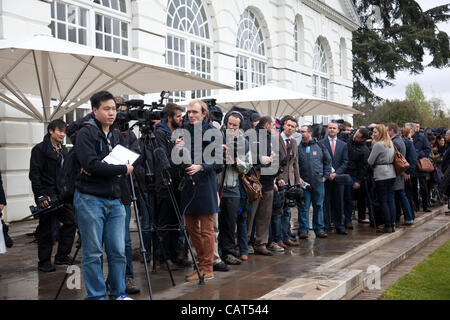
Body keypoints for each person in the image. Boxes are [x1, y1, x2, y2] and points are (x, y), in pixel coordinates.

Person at [73, 91, 134, 300]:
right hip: (90, 199)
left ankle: (118, 293)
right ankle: (97, 296)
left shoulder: (116, 135)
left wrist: (105, 167)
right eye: (106, 109)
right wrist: (119, 169)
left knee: (118, 251)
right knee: (93, 253)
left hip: (115, 200)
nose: (111, 113)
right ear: (95, 110)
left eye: (114, 109)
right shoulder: (86, 133)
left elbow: (124, 159)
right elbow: (90, 164)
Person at [180, 100, 222, 282]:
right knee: (191, 228)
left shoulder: (212, 132)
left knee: (206, 229)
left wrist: (201, 166)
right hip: (188, 185)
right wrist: (179, 149)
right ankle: (200, 265)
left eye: (195, 112)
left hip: (205, 184)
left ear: (204, 114)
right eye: (189, 112)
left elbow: (218, 162)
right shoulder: (185, 131)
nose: (191, 115)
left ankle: (207, 267)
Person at [29, 119, 76, 273]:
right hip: (47, 195)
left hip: (62, 195)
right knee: (47, 229)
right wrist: (41, 196)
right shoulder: (39, 150)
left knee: (71, 222)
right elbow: (34, 175)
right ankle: (43, 262)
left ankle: (62, 256)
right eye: (59, 131)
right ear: (51, 131)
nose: (63, 134)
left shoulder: (63, 150)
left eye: (64, 131)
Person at [153, 102, 186, 270]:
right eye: (178, 116)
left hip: (177, 182)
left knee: (175, 222)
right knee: (165, 223)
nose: (181, 119)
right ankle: (163, 258)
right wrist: (175, 147)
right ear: (169, 117)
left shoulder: (178, 133)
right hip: (165, 183)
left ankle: (173, 255)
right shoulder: (160, 133)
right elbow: (162, 158)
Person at [217, 111, 252, 265]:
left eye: (234, 125)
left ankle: (229, 252)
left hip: (233, 186)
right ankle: (216, 254)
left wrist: (236, 161)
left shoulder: (244, 142)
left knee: (230, 222)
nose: (231, 127)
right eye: (229, 124)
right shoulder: (216, 137)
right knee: (215, 224)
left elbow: (247, 166)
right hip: (216, 186)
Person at [115, 98, 141, 295]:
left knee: (124, 241)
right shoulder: (97, 131)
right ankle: (108, 280)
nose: (120, 114)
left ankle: (127, 277)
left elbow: (136, 156)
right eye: (117, 110)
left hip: (123, 192)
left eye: (124, 111)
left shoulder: (129, 134)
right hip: (101, 192)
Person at [247, 116, 277, 256]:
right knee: (251, 215)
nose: (274, 127)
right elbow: (249, 156)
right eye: (272, 124)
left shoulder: (270, 138)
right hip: (255, 181)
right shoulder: (253, 136)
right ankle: (247, 243)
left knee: (264, 216)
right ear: (266, 125)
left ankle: (260, 243)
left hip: (269, 182)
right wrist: (262, 160)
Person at [297, 125, 332, 239]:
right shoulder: (297, 146)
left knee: (318, 206)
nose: (301, 133)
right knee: (303, 207)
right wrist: (298, 178)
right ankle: (303, 230)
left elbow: (328, 161)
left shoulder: (320, 146)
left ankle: (319, 229)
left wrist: (325, 176)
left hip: (318, 182)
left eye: (303, 131)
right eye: (300, 131)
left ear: (310, 133)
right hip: (303, 184)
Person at [273, 115, 302, 248]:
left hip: (290, 181)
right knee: (278, 211)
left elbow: (295, 163)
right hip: (279, 180)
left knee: (288, 211)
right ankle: (278, 239)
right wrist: (278, 178)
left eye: (293, 127)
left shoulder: (294, 142)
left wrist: (297, 182)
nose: (290, 128)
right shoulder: (275, 140)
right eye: (288, 125)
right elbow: (274, 162)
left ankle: (286, 237)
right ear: (283, 125)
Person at [320, 122, 349, 234]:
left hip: (338, 178)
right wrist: (328, 173)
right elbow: (319, 160)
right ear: (327, 129)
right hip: (326, 178)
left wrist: (336, 173)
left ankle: (339, 225)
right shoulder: (321, 143)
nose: (332, 130)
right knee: (326, 202)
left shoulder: (343, 145)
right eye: (330, 128)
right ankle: (326, 226)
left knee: (339, 202)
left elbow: (345, 161)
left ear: (338, 130)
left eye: (334, 128)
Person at [367, 124, 396, 233]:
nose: (373, 134)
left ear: (381, 133)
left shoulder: (378, 145)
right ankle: (391, 224)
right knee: (389, 200)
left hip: (382, 174)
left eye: (375, 132)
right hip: (391, 173)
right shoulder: (390, 143)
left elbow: (370, 161)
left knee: (383, 201)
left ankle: (388, 225)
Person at [387, 123, 414, 227]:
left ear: (391, 131)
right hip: (400, 173)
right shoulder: (400, 140)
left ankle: (395, 220)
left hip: (396, 173)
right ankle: (408, 218)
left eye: (387, 130)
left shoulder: (395, 142)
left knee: (396, 197)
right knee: (402, 196)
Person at [345, 128, 371, 224]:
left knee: (359, 198)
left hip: (356, 175)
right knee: (347, 198)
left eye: (357, 137)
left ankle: (359, 217)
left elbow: (364, 167)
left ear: (363, 139)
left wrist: (358, 181)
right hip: (346, 173)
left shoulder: (364, 150)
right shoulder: (348, 141)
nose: (354, 137)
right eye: (355, 134)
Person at [409, 121, 432, 212]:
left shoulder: (422, 137)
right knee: (413, 186)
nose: (417, 128)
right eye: (415, 126)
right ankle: (416, 206)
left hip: (421, 164)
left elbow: (427, 149)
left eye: (417, 126)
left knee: (423, 186)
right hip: (412, 165)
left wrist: (417, 154)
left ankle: (426, 205)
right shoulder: (409, 137)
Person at [401, 127, 418, 218]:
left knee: (406, 195)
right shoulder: (409, 143)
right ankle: (411, 215)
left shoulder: (406, 142)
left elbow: (412, 158)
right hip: (407, 171)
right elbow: (413, 158)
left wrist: (407, 172)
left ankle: (410, 215)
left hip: (405, 172)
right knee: (408, 195)